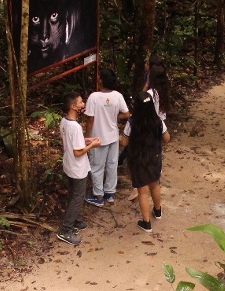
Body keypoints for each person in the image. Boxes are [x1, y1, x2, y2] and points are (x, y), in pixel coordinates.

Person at [122, 86, 169, 232]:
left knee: (142, 190)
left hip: (137, 159)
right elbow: (167, 138)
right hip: (154, 157)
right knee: (155, 184)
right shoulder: (157, 121)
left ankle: (146, 223)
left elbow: (125, 142)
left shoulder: (132, 122)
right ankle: (158, 210)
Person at [57, 90, 99, 245]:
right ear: (74, 106)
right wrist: (93, 144)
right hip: (77, 167)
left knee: (73, 194)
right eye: (81, 102)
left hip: (69, 165)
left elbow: (72, 141)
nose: (83, 104)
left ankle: (75, 220)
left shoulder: (65, 121)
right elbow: (78, 151)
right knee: (77, 197)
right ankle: (65, 230)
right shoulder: (74, 126)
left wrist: (87, 139)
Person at [83, 68, 129, 207]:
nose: (97, 78)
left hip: (97, 138)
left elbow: (90, 119)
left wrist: (86, 136)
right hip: (113, 136)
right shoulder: (118, 96)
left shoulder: (94, 97)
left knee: (97, 166)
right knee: (112, 164)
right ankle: (109, 193)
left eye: (99, 76)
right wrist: (114, 116)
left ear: (102, 80)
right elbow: (126, 114)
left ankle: (98, 196)